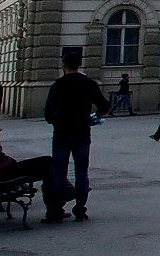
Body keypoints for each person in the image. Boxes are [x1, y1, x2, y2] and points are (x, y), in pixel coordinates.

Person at [42, 46, 110, 222]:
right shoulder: (89, 84)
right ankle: (80, 209)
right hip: (82, 132)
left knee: (59, 172)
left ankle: (56, 210)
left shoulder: (58, 85)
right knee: (81, 172)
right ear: (80, 65)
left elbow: (48, 113)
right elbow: (104, 106)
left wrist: (57, 120)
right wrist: (93, 117)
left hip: (62, 133)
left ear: (63, 64)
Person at [0, 110, 71, 221]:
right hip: (2, 174)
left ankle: (59, 203)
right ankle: (62, 199)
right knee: (48, 166)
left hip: (3, 170)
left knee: (49, 165)